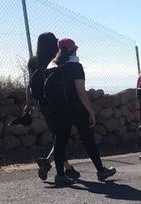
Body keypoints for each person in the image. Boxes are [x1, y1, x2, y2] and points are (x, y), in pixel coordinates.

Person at [44, 38, 116, 186]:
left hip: (58, 108)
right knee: (88, 139)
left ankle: (60, 174)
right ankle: (101, 170)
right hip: (76, 108)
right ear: (73, 50)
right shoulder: (75, 66)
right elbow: (80, 91)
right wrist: (90, 111)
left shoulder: (51, 67)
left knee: (60, 141)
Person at [28, 32, 80, 182]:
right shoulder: (56, 60)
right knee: (61, 136)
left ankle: (66, 167)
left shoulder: (33, 61)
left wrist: (28, 103)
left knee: (58, 135)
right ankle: (56, 168)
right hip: (58, 102)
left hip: (43, 104)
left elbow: (30, 85)